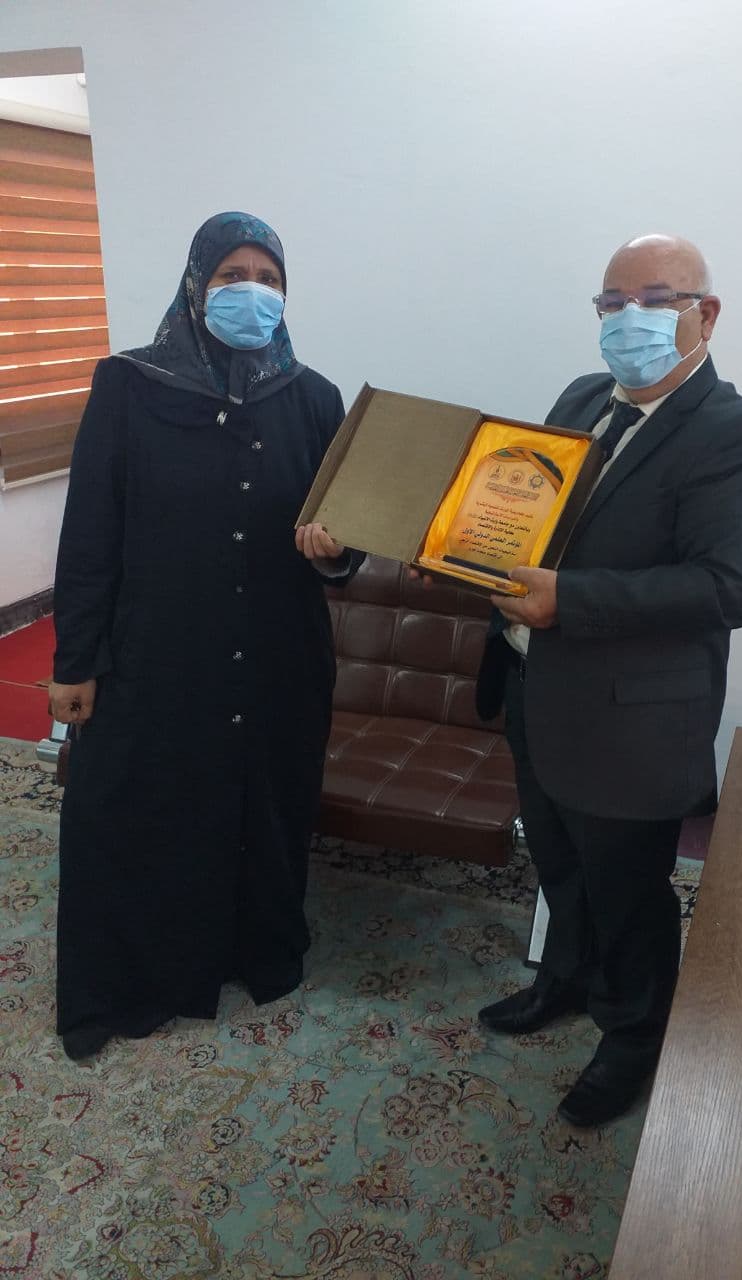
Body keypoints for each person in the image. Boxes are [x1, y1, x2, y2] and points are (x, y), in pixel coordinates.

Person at [474, 233, 742, 1126]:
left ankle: (632, 1037)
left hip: (634, 723)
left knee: (628, 893)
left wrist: (571, 602)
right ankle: (565, 979)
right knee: (560, 864)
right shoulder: (582, 398)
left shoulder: (740, 434)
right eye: (613, 303)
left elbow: (729, 587)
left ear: (707, 315)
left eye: (656, 300)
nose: (631, 320)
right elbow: (530, 514)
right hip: (534, 689)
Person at [48, 211, 362, 1061]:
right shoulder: (129, 385)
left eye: (269, 279)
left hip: (278, 659)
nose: (251, 293)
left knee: (262, 807)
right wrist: (75, 662)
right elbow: (90, 533)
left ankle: (252, 951)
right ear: (195, 285)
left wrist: (336, 551)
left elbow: (348, 537)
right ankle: (142, 978)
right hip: (159, 654)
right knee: (143, 811)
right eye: (231, 276)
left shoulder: (315, 398)